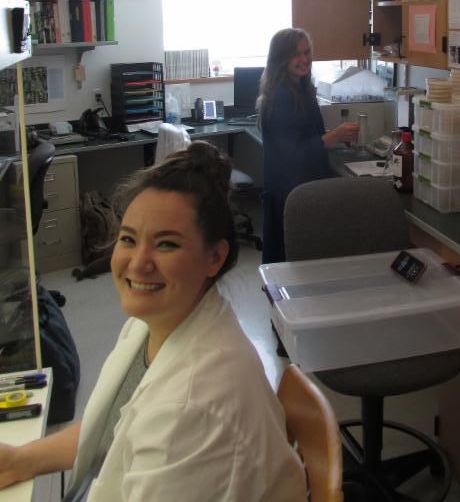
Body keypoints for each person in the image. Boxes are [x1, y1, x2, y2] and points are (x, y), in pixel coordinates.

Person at [0, 142, 307, 502]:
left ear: (215, 257)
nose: (137, 263)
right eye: (129, 239)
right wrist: (21, 460)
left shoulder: (194, 409)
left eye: (166, 245)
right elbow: (113, 427)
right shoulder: (156, 321)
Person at [257, 28, 359, 263]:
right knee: (292, 258)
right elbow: (293, 152)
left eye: (307, 52)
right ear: (281, 59)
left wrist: (336, 137)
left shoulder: (302, 88)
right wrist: (335, 136)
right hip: (290, 190)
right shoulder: (281, 96)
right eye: (296, 54)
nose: (304, 59)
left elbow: (307, 135)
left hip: (300, 184)